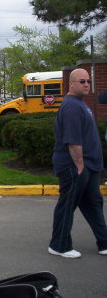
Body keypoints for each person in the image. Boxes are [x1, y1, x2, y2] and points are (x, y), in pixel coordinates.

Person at [48, 68, 107, 258]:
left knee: (93, 203)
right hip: (75, 166)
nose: (86, 84)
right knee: (67, 204)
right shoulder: (72, 106)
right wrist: (79, 165)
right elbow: (72, 140)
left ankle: (104, 242)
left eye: (88, 81)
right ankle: (59, 245)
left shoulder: (80, 104)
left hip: (89, 166)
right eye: (81, 81)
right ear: (71, 84)